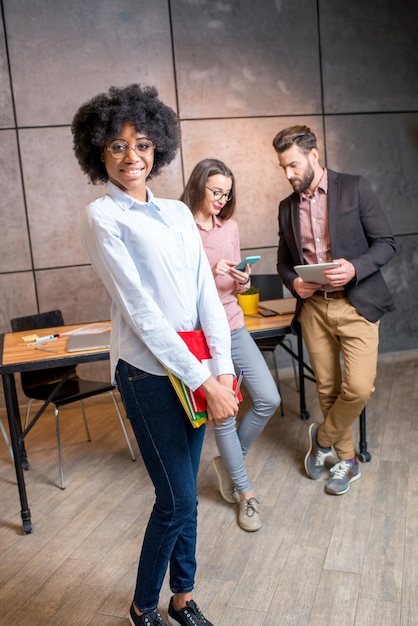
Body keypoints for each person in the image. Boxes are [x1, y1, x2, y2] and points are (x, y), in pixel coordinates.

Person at [71, 85, 239, 626]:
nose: (131, 157)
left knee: (185, 495)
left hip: (196, 367)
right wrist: (203, 380)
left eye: (142, 144)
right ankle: (143, 608)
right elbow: (142, 315)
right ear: (98, 152)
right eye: (117, 147)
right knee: (176, 502)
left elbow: (205, 298)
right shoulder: (102, 217)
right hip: (146, 374)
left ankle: (183, 599)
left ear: (158, 148)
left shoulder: (173, 212)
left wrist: (224, 369)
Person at [272, 125, 396, 495]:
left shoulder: (355, 187)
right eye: (283, 168)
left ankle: (322, 440)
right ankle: (348, 459)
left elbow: (386, 243)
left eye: (293, 165)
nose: (289, 174)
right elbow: (283, 263)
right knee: (326, 388)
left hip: (356, 304)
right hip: (313, 309)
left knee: (357, 387)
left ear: (314, 154)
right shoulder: (286, 208)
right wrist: (294, 282)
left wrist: (355, 267)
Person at [181, 158, 281, 531]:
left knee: (268, 398)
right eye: (216, 192)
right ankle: (245, 494)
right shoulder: (181, 229)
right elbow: (176, 292)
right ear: (198, 187)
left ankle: (228, 460)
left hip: (234, 326)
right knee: (224, 413)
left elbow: (237, 285)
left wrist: (241, 279)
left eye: (227, 193)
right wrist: (209, 274)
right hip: (203, 335)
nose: (222, 199)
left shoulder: (231, 226)